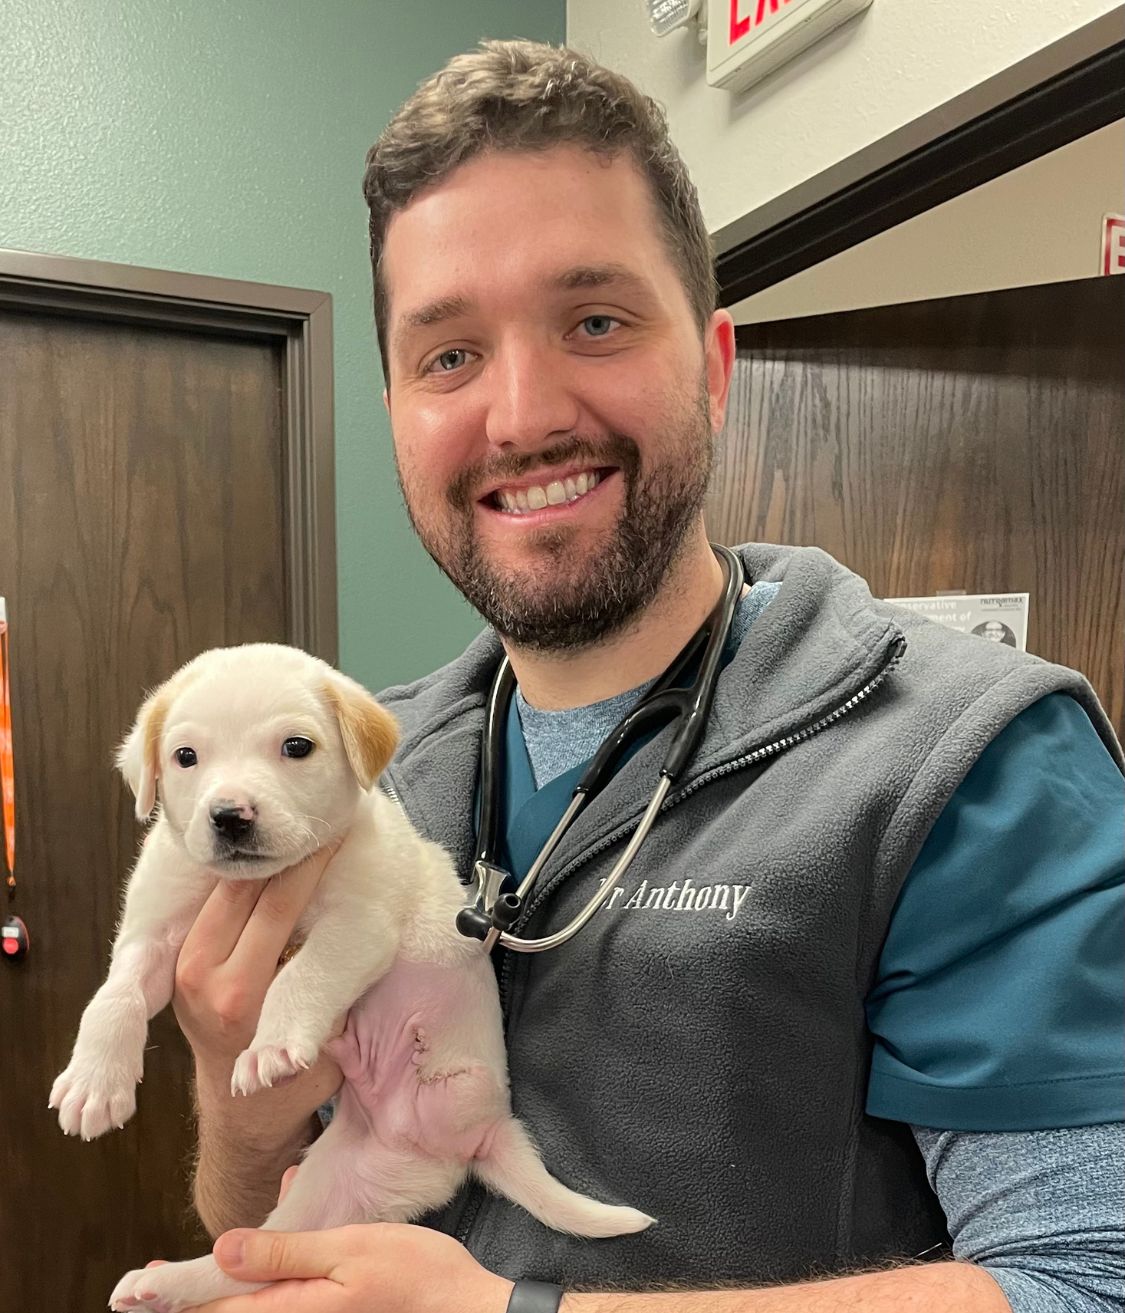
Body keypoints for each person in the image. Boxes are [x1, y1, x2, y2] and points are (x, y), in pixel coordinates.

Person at [171, 41, 1124, 1313]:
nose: (520, 414)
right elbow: (263, 1225)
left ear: (716, 365)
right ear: (395, 402)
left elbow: (1087, 1276)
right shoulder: (370, 767)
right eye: (449, 354)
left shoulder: (968, 763)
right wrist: (234, 1109)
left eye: (596, 321)